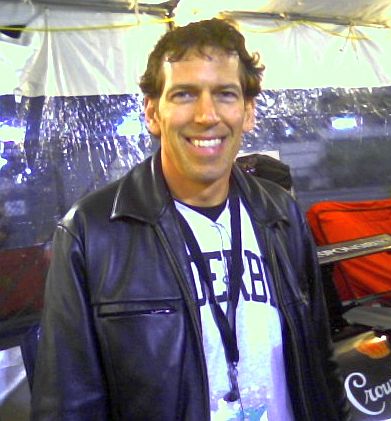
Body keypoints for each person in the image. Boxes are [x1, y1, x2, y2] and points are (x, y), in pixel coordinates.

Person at [31, 18, 348, 420]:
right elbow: (67, 403)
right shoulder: (92, 232)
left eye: (225, 94)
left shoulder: (280, 215)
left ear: (248, 113)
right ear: (152, 112)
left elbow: (320, 361)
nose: (206, 115)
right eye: (184, 94)